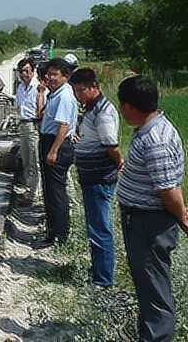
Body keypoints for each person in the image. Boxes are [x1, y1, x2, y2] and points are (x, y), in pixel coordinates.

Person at [116, 76, 188, 341]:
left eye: (122, 104)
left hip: (148, 225)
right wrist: (181, 211)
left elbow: (168, 189)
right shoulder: (152, 130)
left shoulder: (156, 140)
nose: (120, 109)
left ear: (129, 106)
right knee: (148, 288)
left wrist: (180, 213)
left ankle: (158, 337)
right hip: (142, 221)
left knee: (155, 292)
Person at [70, 68, 123, 287]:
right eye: (75, 91)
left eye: (82, 90)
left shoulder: (103, 111)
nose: (78, 95)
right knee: (94, 226)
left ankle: (103, 281)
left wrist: (119, 162)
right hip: (90, 176)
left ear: (95, 87)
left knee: (100, 228)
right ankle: (98, 271)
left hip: (100, 178)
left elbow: (111, 145)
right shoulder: (91, 108)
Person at [39, 58, 78, 244]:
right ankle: (52, 229)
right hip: (48, 140)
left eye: (55, 74)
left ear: (65, 76)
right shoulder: (55, 93)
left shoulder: (64, 96)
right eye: (49, 74)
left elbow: (63, 126)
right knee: (49, 189)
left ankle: (60, 234)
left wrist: (53, 151)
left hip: (57, 144)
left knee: (56, 191)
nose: (50, 78)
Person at [15, 58, 42, 205]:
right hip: (23, 125)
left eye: (27, 71)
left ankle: (35, 193)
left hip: (33, 126)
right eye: (21, 71)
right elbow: (18, 107)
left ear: (33, 71)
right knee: (25, 159)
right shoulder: (20, 88)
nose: (24, 74)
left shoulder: (38, 88)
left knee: (34, 159)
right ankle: (28, 188)